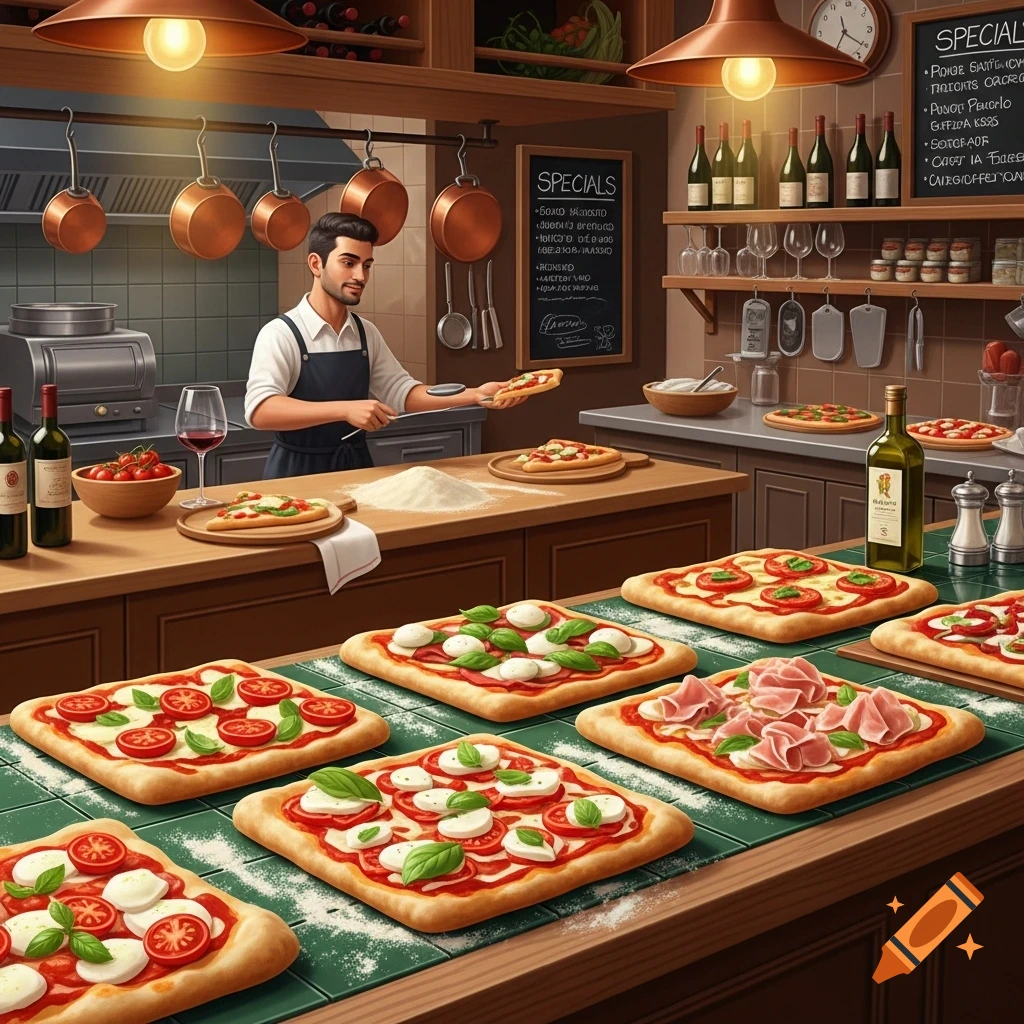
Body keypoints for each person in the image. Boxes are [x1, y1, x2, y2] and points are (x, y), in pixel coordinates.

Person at [246, 212, 521, 479]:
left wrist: (476, 395)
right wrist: (345, 410)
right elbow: (261, 410)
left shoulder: (366, 333)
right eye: (348, 263)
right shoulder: (281, 334)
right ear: (316, 264)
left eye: (366, 265)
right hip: (296, 476)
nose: (360, 276)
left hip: (357, 471)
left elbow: (403, 393)